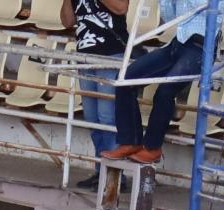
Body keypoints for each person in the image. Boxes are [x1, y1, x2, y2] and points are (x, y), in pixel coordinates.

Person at [103, 0, 211, 165]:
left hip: (201, 46)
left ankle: (153, 148)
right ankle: (130, 141)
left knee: (166, 90)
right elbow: (170, 17)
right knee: (125, 79)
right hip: (178, 43)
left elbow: (208, 11)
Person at [62, 0, 128, 176]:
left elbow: (121, 8)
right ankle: (101, 171)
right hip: (85, 58)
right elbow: (67, 21)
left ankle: (114, 175)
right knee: (92, 119)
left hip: (111, 55)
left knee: (107, 118)